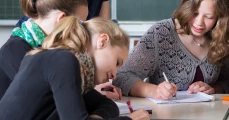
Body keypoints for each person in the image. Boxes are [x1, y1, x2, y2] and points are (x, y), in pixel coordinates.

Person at [114, 0, 229, 100]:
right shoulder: (161, 33)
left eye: (209, 17)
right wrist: (154, 91)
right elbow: (122, 77)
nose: (199, 22)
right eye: (194, 13)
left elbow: (227, 82)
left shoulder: (221, 37)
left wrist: (213, 89)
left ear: (221, 18)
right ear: (187, 7)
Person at [0, 16, 150, 120]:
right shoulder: (63, 60)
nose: (114, 75)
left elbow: (107, 105)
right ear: (102, 41)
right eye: (117, 62)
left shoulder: (75, 69)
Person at [0, 0, 88, 100]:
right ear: (62, 19)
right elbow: (48, 97)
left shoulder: (53, 48)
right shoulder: (14, 49)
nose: (81, 31)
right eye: (79, 23)